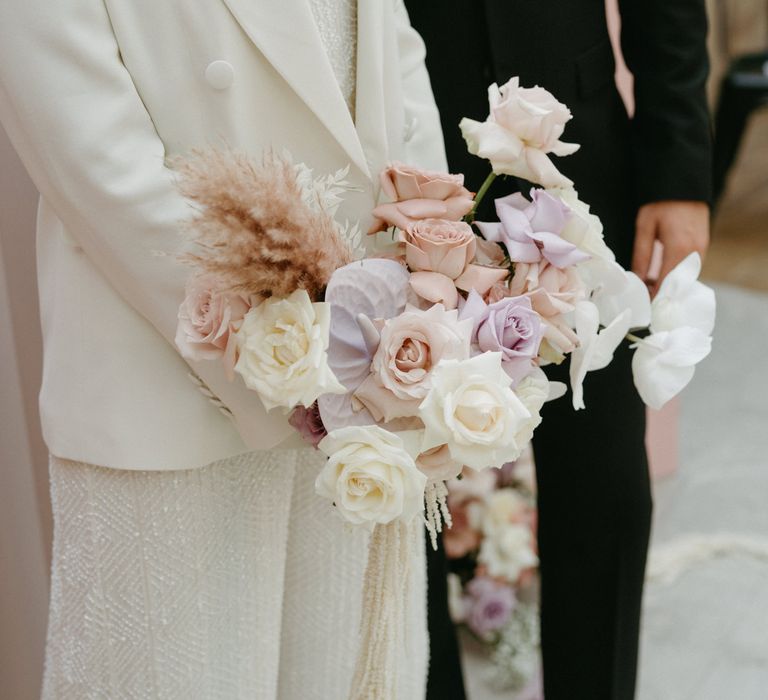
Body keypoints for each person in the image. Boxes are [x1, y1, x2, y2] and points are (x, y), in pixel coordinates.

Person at [0, 1, 447, 697]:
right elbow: (95, 160)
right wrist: (290, 356)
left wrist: (424, 283)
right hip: (173, 387)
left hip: (361, 383)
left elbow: (393, 59)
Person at [405, 1, 712, 698]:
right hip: (398, 160)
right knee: (404, 488)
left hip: (579, 150)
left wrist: (678, 168)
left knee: (604, 487)